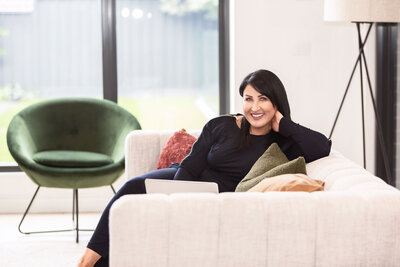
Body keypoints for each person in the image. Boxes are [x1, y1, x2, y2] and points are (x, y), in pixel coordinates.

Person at [78, 69, 332, 267]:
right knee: (134, 186)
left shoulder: (285, 142)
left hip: (221, 200)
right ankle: (87, 260)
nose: (254, 107)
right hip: (185, 180)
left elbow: (323, 147)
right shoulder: (222, 125)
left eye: (263, 99)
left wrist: (285, 125)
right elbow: (190, 166)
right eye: (248, 99)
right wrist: (173, 198)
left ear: (276, 103)